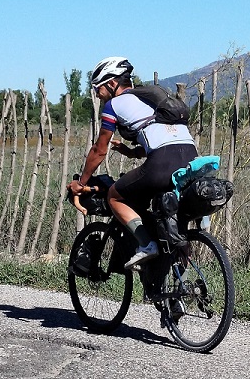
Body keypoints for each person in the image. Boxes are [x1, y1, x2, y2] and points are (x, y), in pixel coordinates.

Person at [68, 57, 198, 269]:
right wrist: (131, 152)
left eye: (98, 88)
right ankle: (173, 279)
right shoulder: (150, 100)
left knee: (114, 196)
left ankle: (146, 244)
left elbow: (99, 150)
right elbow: (164, 139)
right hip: (191, 157)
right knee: (163, 211)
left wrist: (81, 183)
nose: (97, 95)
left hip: (162, 162)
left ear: (112, 83)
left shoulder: (113, 105)